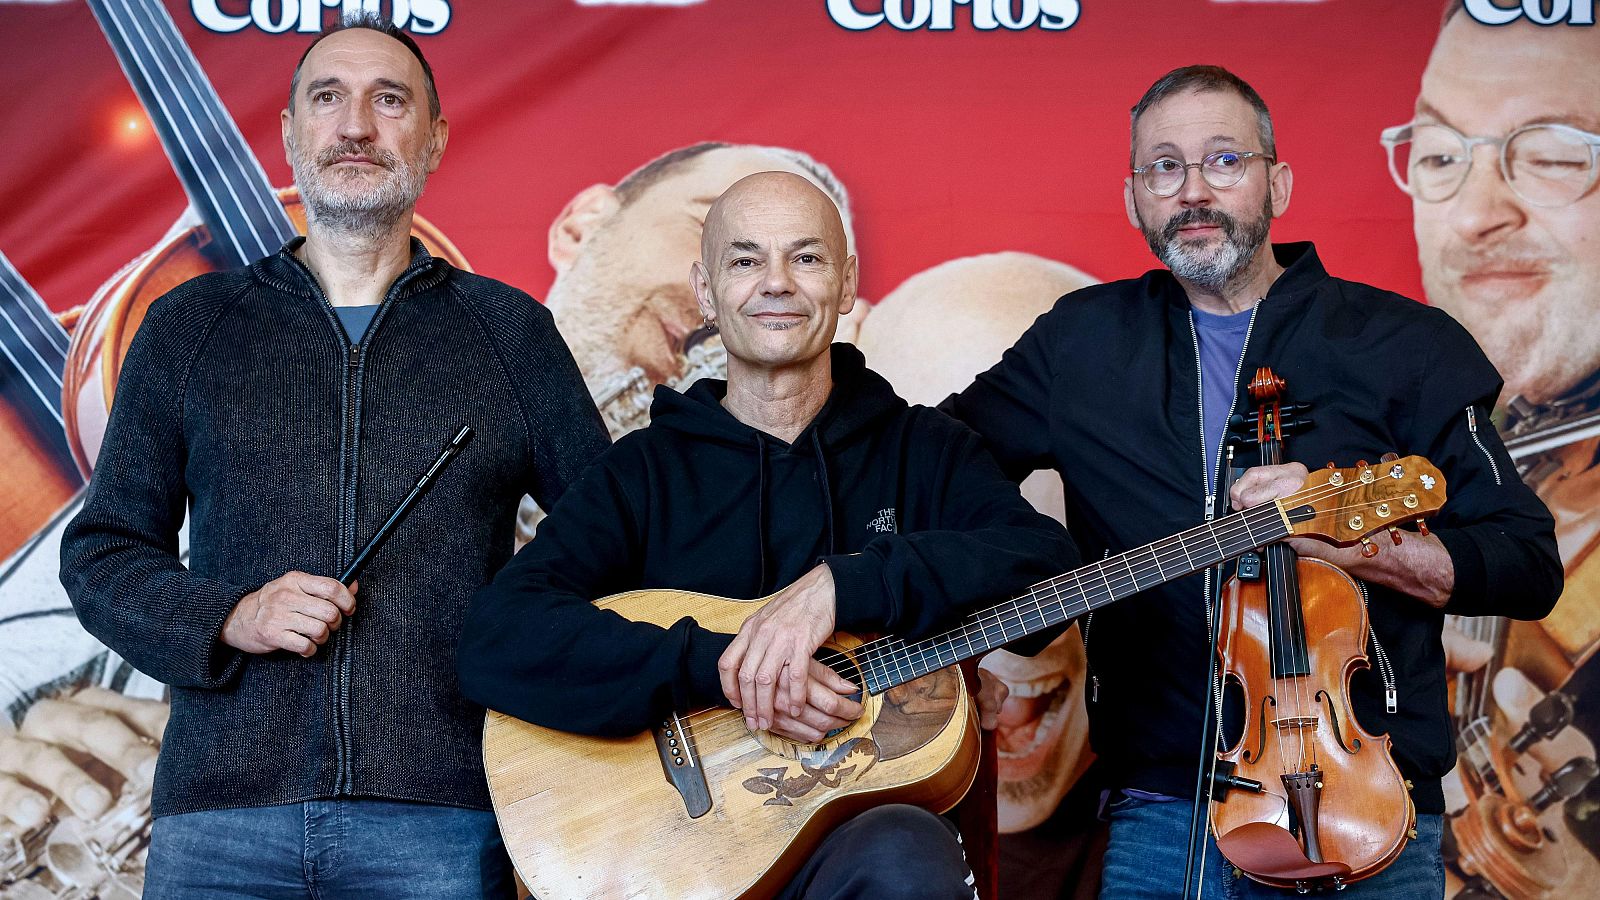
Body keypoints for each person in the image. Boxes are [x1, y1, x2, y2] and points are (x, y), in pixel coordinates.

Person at [942, 65, 1562, 897]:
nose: (1194, 190)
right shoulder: (1079, 344)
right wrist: (1020, 574)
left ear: (1279, 182)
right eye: (1165, 167)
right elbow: (931, 468)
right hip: (1161, 813)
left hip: (1365, 805)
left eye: (1225, 160)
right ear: (1133, 198)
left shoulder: (1408, 344)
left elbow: (1526, 562)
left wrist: (1356, 546)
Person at [57, 14, 608, 898]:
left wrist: (504, 620)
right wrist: (232, 615)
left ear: (434, 140)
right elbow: (103, 554)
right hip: (220, 820)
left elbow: (612, 542)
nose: (355, 125)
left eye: (389, 101)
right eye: (328, 98)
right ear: (290, 134)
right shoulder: (189, 326)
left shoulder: (511, 333)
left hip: (446, 815)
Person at [457, 171, 1077, 899]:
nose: (776, 282)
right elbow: (499, 637)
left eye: (806, 258)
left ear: (845, 284)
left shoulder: (925, 450)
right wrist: (721, 666)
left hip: (862, 846)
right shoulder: (643, 473)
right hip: (680, 856)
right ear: (706, 290)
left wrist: (846, 584)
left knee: (908, 853)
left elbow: (1046, 569)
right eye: (746, 260)